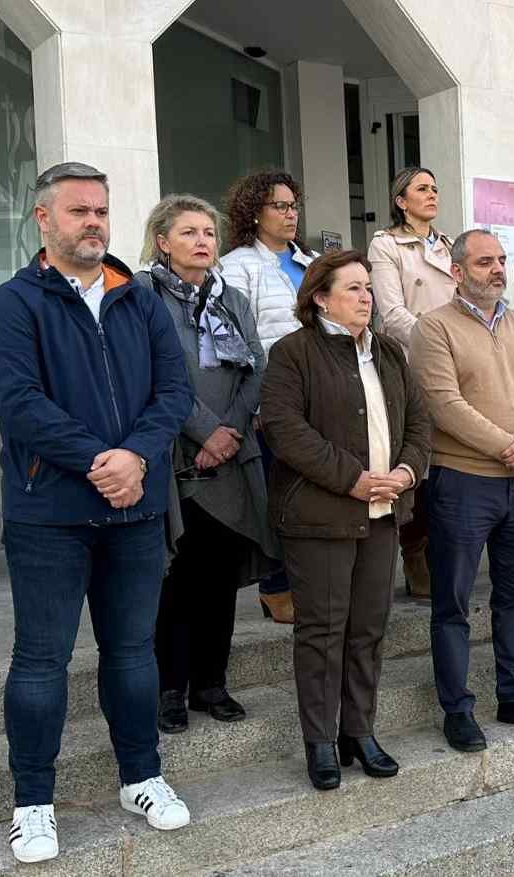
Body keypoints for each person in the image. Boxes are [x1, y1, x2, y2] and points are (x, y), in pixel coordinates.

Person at [0, 161, 193, 864]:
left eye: (101, 210)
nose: (94, 222)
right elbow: (19, 404)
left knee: (132, 652)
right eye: (78, 211)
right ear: (44, 219)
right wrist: (105, 461)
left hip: (133, 511)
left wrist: (137, 458)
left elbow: (174, 391)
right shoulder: (15, 303)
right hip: (49, 513)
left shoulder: (139, 298)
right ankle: (32, 802)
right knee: (41, 660)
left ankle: (142, 775)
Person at [259, 249, 431, 790]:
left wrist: (406, 471)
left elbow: (419, 420)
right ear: (320, 298)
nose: (366, 297)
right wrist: (353, 477)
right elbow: (285, 430)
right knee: (323, 631)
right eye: (352, 288)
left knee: (368, 629)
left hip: (383, 513)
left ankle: (360, 731)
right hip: (320, 517)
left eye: (368, 288)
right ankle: (320, 740)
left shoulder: (386, 352)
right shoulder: (293, 353)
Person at [411, 229, 514, 751]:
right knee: (453, 601)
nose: (498, 269)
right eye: (485, 262)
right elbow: (444, 405)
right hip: (463, 484)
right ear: (457, 272)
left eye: (501, 260)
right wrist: (511, 445)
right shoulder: (433, 329)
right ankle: (456, 708)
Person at [135, 195, 278, 734]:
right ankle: (170, 687)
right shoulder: (145, 296)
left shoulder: (231, 298)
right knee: (177, 578)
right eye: (189, 232)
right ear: (163, 241)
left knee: (218, 575)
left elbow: (257, 368)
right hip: (174, 453)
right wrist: (203, 431)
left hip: (231, 455)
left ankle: (211, 684)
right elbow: (154, 373)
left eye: (209, 233)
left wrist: (230, 431)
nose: (202, 241)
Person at [221, 170, 318, 624]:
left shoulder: (312, 262)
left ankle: (306, 580)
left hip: (319, 399)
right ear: (254, 213)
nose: (290, 213)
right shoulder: (237, 265)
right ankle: (276, 586)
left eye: (293, 204)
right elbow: (242, 341)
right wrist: (257, 404)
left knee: (311, 495)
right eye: (279, 205)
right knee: (278, 497)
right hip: (272, 402)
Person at [367, 166, 457, 599]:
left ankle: (444, 549)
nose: (432, 194)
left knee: (451, 459)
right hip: (410, 362)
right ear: (401, 200)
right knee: (416, 459)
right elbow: (390, 311)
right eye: (422, 188)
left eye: (435, 188)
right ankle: (415, 552)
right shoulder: (386, 245)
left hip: (457, 363)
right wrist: (438, 341)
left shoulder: (450, 246)